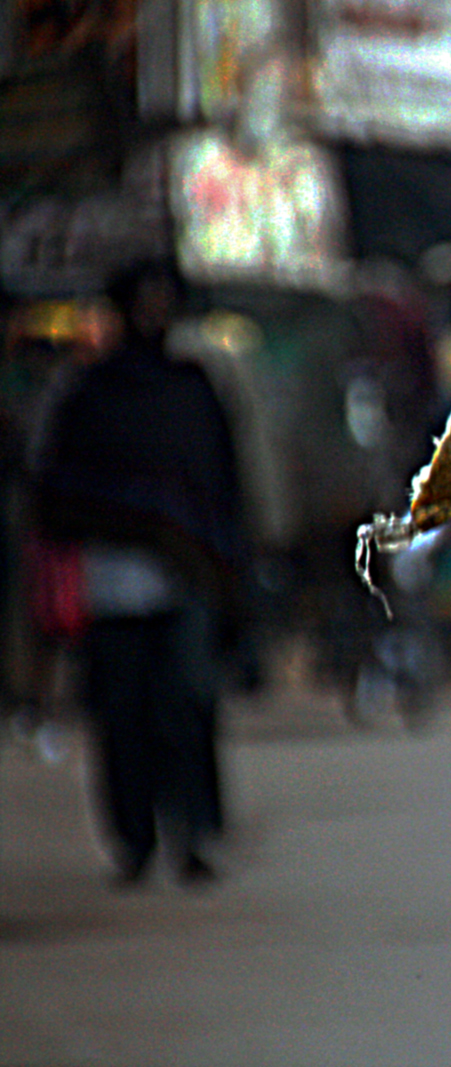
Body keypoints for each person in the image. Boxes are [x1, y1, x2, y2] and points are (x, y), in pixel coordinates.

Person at [32, 260, 248, 887]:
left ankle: (193, 834)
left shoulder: (193, 388)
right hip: (113, 585)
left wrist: (225, 558)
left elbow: (222, 484)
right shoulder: (88, 395)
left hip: (186, 581)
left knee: (187, 705)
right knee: (122, 712)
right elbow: (58, 488)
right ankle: (134, 838)